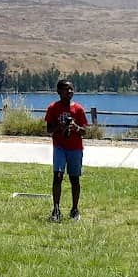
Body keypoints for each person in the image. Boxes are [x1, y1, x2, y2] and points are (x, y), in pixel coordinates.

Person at [44, 79, 88, 222]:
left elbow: (85, 131)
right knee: (57, 177)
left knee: (74, 179)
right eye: (66, 89)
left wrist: (75, 127)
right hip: (60, 148)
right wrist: (60, 126)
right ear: (59, 92)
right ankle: (56, 210)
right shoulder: (53, 108)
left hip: (75, 148)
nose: (69, 91)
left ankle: (74, 209)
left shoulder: (79, 109)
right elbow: (49, 129)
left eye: (71, 89)